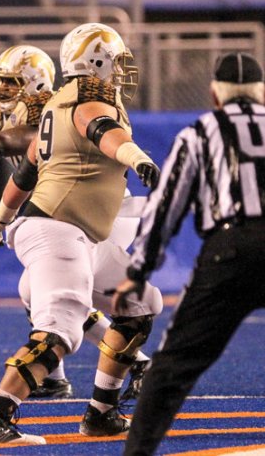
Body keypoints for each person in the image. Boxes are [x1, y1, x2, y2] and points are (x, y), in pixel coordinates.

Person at [0, 46, 154, 401]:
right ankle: (72, 375)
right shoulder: (17, 114)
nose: (1, 89)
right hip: (64, 216)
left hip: (96, 212)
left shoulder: (52, 109)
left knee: (54, 294)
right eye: (0, 81)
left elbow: (3, 143)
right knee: (40, 293)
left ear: (34, 83)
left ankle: (124, 367)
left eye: (11, 82)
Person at [0, 23, 163, 445]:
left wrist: (2, 217)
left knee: (140, 303)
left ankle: (101, 413)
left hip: (72, 230)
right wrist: (138, 157)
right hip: (59, 228)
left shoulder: (57, 103)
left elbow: (28, 168)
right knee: (60, 329)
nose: (121, 69)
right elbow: (105, 134)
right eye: (117, 60)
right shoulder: (90, 101)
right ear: (99, 61)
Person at [114, 53, 265, 456]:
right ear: (261, 94)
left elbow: (166, 206)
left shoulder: (201, 132)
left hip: (230, 250)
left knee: (173, 366)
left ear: (215, 96)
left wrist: (138, 270)